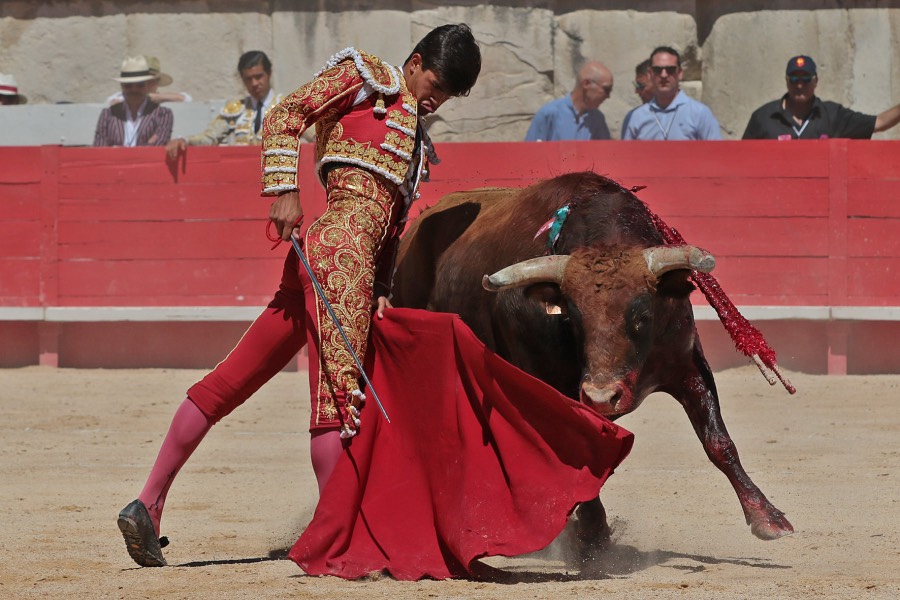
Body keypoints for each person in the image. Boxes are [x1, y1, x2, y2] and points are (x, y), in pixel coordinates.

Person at [117, 23, 482, 568]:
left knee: (234, 379)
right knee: (337, 404)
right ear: (414, 62)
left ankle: (147, 502)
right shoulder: (367, 78)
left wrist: (383, 287)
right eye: (436, 84)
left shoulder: (413, 141)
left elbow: (391, 225)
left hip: (327, 261)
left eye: (448, 95)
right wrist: (285, 189)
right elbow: (285, 114)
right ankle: (335, 541)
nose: (437, 100)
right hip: (340, 260)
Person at [742, 55, 900, 139]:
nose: (799, 85)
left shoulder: (833, 115)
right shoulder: (763, 117)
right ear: (786, 81)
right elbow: (742, 160)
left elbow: (879, 123)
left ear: (815, 81)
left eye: (805, 79)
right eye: (794, 79)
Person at [165, 51, 283, 159]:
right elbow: (209, 137)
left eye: (258, 77)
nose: (254, 83)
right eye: (248, 79)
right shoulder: (236, 109)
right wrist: (185, 140)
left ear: (269, 73)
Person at [622, 46, 721, 140]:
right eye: (657, 70)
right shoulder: (635, 117)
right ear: (650, 74)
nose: (664, 75)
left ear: (680, 73)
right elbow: (626, 152)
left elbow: (716, 151)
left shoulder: (699, 113)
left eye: (670, 69)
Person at [93, 56, 173, 147]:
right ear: (122, 86)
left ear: (147, 85)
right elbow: (99, 149)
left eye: (140, 85)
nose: (134, 90)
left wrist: (117, 149)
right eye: (128, 85)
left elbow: (158, 147)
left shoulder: (162, 114)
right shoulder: (108, 114)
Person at [524, 60, 613, 141]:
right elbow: (531, 151)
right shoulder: (549, 114)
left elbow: (605, 152)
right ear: (586, 84)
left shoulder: (598, 119)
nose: (608, 96)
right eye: (606, 89)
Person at [106, 56, 192, 106]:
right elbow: (112, 102)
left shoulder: (162, 98)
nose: (148, 84)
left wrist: (158, 97)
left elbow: (186, 99)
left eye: (152, 81)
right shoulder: (120, 96)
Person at [621, 58, 654, 137]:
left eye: (641, 86)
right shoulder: (634, 117)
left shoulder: (682, 113)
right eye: (637, 86)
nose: (636, 91)